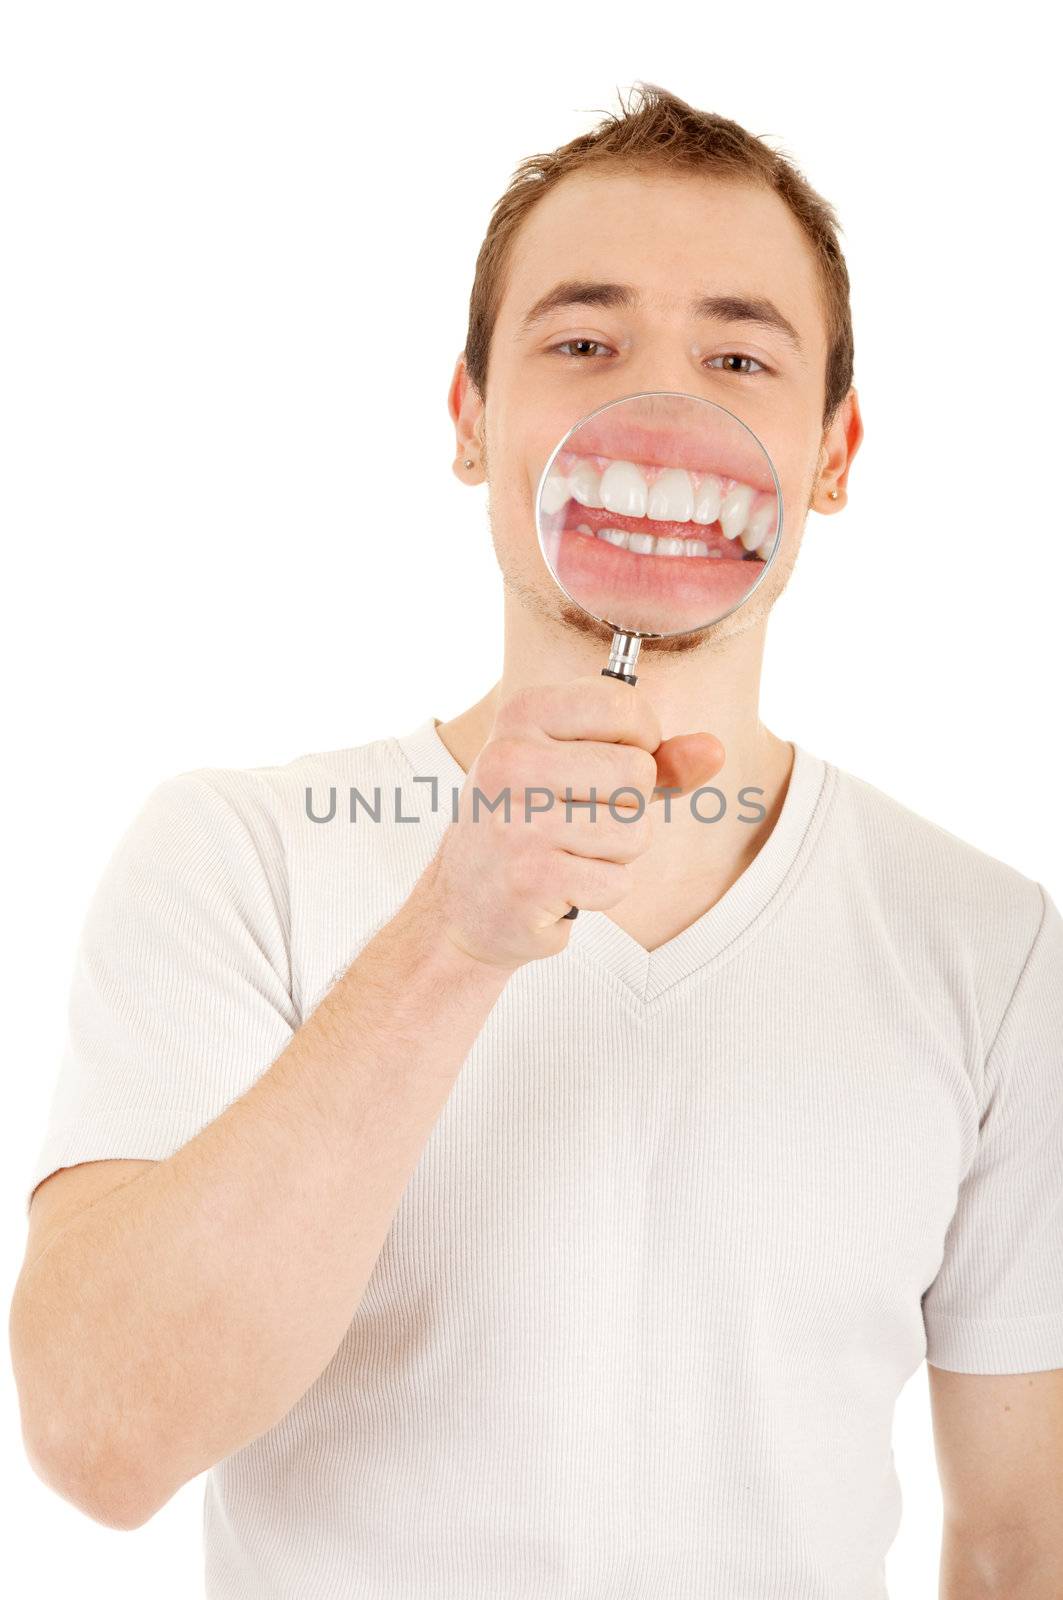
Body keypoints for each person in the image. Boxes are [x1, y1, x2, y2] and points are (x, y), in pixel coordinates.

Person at [10, 83, 1062, 1600]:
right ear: (470, 420)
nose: (659, 400)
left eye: (738, 354)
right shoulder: (237, 858)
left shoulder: (992, 946)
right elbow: (100, 1443)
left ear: (832, 455)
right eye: (582, 342)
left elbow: (1024, 1545)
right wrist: (451, 929)